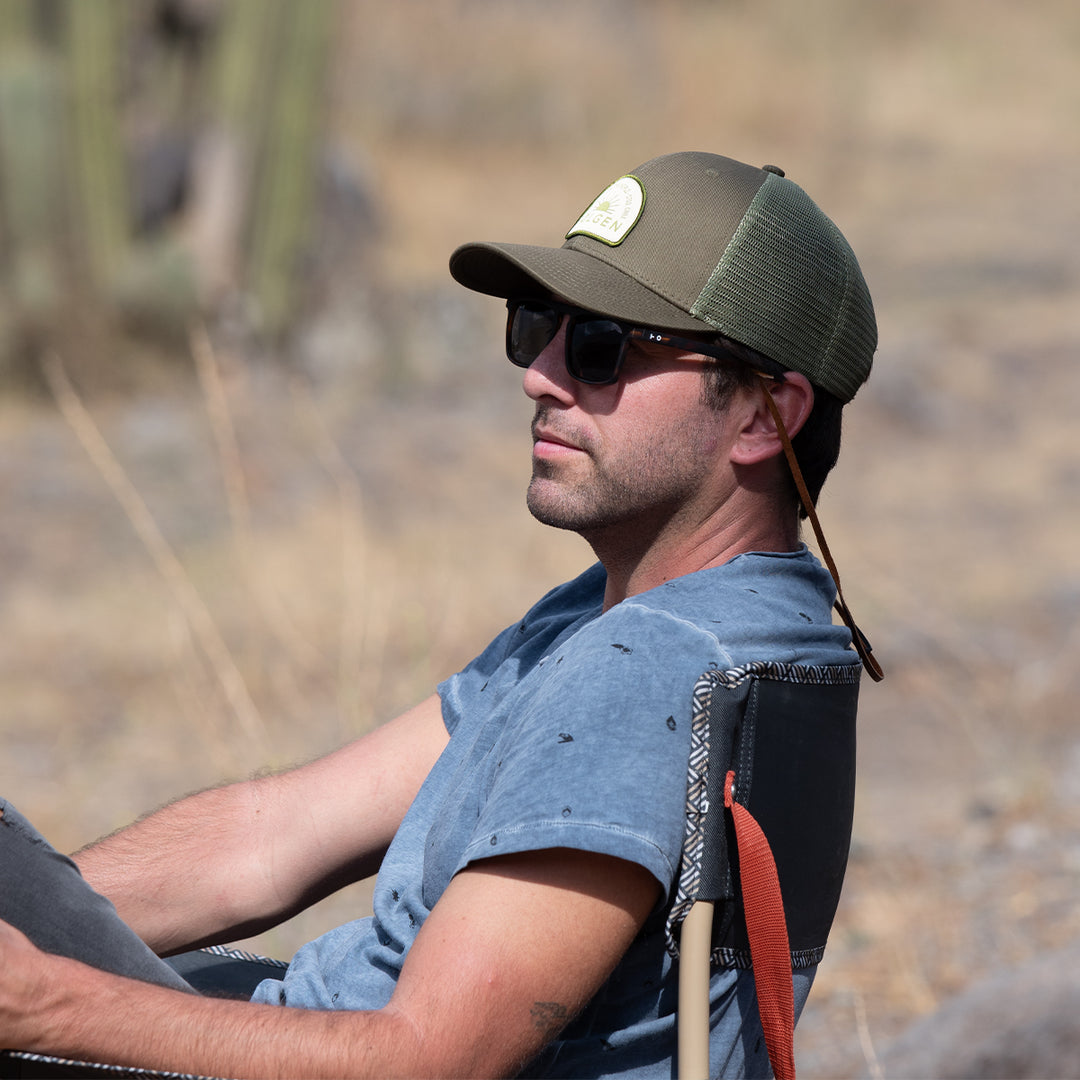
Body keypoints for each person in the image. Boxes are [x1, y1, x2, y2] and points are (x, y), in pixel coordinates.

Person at [0, 150, 878, 1079]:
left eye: (602, 346)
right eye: (538, 325)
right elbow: (273, 840)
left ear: (762, 418)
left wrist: (44, 999)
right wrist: (40, 926)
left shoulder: (648, 665)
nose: (540, 374)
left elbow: (429, 1059)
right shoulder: (690, 616)